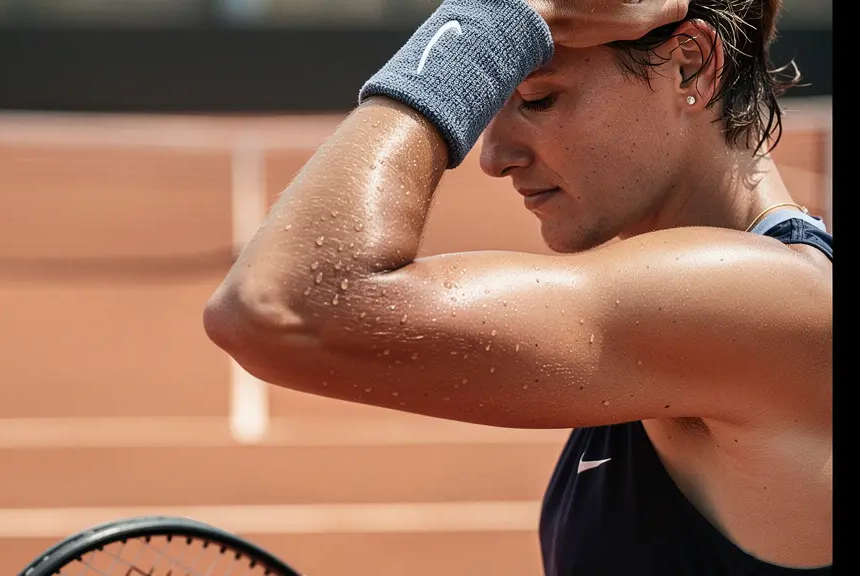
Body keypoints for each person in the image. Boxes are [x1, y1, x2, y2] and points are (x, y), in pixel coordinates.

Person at [202, 0, 832, 573]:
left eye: (537, 99)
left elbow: (279, 304)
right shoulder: (690, 303)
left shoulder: (765, 301)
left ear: (690, 66)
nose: (493, 154)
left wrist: (492, 17)